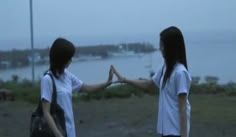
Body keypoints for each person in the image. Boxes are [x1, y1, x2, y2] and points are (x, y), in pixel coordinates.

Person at [111, 26, 192, 137]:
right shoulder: (166, 68)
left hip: (175, 131)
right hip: (166, 130)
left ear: (171, 48)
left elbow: (182, 108)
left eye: (163, 46)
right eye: (160, 46)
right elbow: (149, 84)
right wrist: (124, 80)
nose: (160, 49)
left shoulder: (180, 73)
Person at [41, 38, 113, 137]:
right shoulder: (47, 79)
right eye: (69, 58)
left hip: (70, 132)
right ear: (61, 58)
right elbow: (46, 112)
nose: (71, 60)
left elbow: (86, 88)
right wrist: (58, 134)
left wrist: (106, 83)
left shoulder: (67, 75)